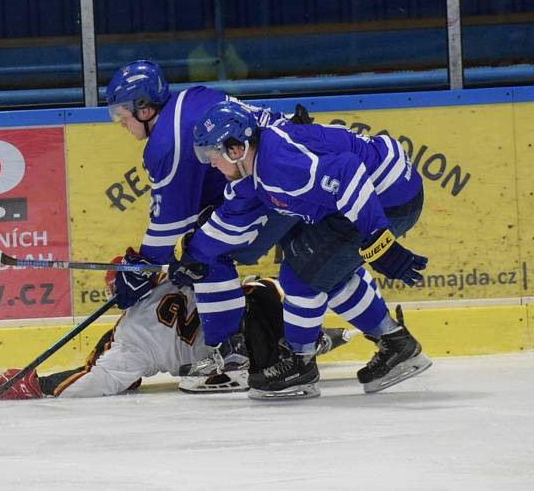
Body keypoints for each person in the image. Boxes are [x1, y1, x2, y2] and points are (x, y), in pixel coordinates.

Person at [170, 100, 431, 399]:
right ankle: (396, 343)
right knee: (323, 269)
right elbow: (234, 216)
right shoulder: (254, 169)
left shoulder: (279, 166)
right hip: (378, 189)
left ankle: (299, 364)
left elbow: (348, 172)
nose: (211, 164)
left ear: (236, 149)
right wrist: (193, 252)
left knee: (300, 276)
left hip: (391, 196)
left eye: (213, 155)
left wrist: (378, 240)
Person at [104, 60, 306, 378]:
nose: (120, 122)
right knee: (317, 255)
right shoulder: (190, 100)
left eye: (122, 113)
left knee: (202, 251)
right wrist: (154, 262)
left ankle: (231, 359)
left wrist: (143, 266)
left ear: (144, 108)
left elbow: (170, 222)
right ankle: (388, 337)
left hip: (271, 175)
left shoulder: (165, 142)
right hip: (294, 164)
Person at [0, 276, 352, 399]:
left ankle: (298, 346)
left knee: (262, 291)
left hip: (225, 351)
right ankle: (307, 342)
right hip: (239, 334)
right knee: (264, 287)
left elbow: (99, 380)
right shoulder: (174, 274)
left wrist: (36, 385)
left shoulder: (128, 341)